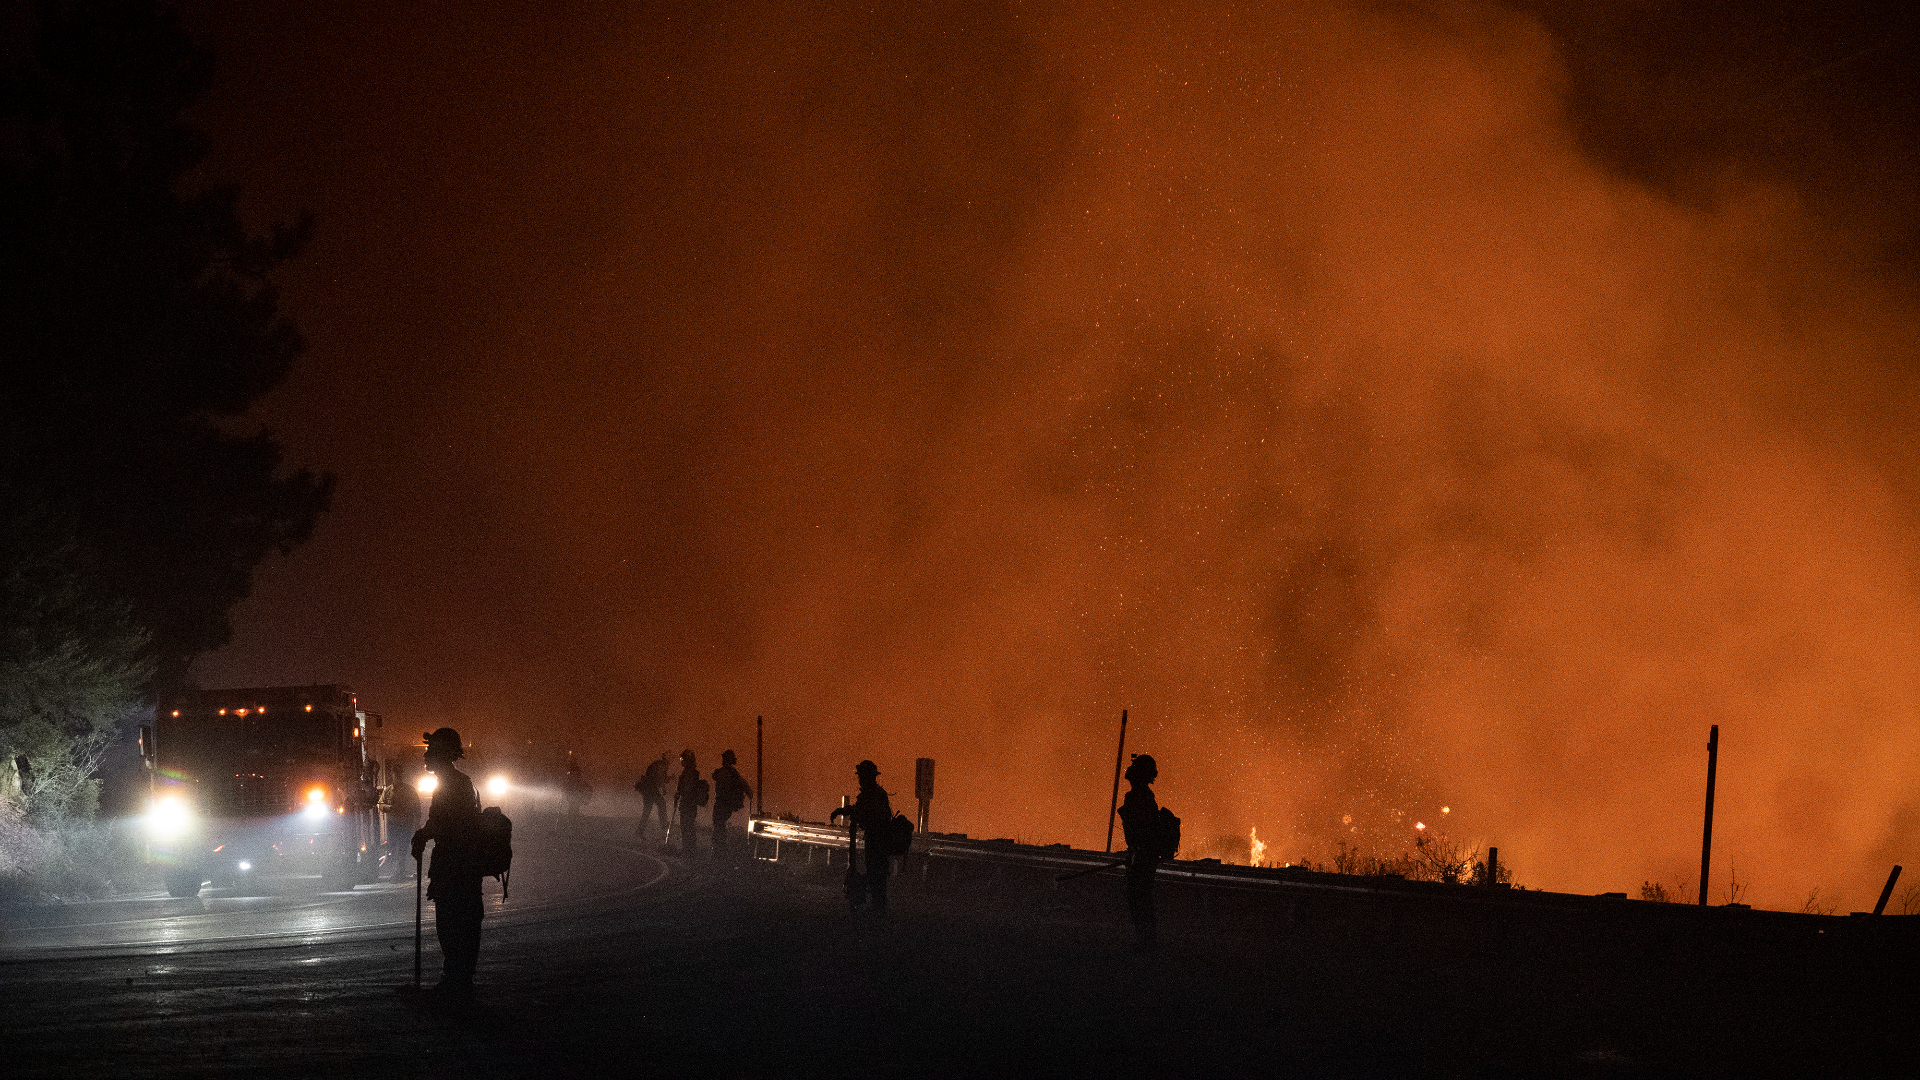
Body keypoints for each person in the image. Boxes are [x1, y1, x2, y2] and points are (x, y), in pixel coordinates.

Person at [411, 727, 484, 994]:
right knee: (456, 923)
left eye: (431, 751)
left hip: (457, 864)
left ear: (442, 753)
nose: (426, 756)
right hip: (458, 863)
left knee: (455, 924)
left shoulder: (453, 784)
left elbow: (448, 824)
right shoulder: (454, 782)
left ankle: (457, 981)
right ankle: (456, 979)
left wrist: (424, 834)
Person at [828, 759, 892, 915]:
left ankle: (878, 911)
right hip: (879, 839)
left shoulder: (872, 794)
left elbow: (864, 811)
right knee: (877, 874)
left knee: (876, 873)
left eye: (861, 776)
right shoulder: (877, 793)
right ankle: (878, 909)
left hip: (877, 839)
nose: (860, 779)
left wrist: (844, 812)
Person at [1116, 752, 1163, 952]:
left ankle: (1147, 942)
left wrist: (1137, 851)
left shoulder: (1139, 796)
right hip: (1144, 854)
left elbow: (1141, 829)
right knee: (1140, 898)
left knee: (1139, 898)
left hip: (1143, 855)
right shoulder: (1144, 796)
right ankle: (1146, 940)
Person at [379, 761, 422, 880]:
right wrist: (390, 808)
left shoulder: (409, 790)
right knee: (393, 848)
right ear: (392, 775)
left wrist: (417, 823)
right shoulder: (388, 791)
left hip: (405, 824)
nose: (397, 776)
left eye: (398, 773)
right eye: (395, 773)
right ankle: (397, 871)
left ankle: (399, 871)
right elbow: (381, 805)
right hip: (393, 824)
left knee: (402, 848)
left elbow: (417, 807)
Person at [710, 749, 751, 860]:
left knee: (719, 828)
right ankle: (721, 851)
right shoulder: (733, 773)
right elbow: (744, 785)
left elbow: (716, 777)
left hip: (722, 805)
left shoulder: (725, 773)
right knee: (721, 828)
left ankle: (719, 853)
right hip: (728, 806)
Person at [673, 749, 705, 855]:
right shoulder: (689, 772)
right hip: (688, 803)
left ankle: (689, 849)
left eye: (683, 758)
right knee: (687, 826)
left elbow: (688, 789)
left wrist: (679, 794)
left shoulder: (690, 773)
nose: (681, 760)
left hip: (688, 804)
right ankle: (689, 848)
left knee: (687, 826)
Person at [633, 752, 670, 840]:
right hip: (650, 789)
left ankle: (640, 830)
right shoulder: (661, 765)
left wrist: (664, 786)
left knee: (648, 809)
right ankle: (664, 826)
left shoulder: (659, 764)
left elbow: (660, 779)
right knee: (660, 804)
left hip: (649, 789)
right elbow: (660, 778)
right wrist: (668, 781)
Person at [561, 755, 593, 830]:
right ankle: (573, 825)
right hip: (574, 793)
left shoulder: (573, 773)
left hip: (575, 793)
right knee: (573, 809)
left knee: (573, 809)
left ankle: (573, 825)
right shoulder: (574, 773)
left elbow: (570, 782)